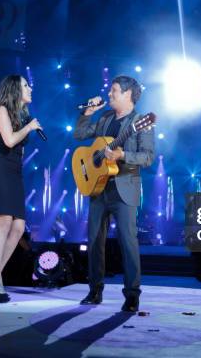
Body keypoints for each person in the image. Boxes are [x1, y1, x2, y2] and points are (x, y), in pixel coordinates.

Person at [73, 75, 155, 313]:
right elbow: (79, 136)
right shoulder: (106, 117)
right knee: (94, 241)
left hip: (125, 186)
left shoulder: (142, 122)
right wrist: (88, 112)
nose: (109, 94)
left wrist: (122, 156)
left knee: (128, 242)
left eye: (114, 91)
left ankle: (131, 295)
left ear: (128, 94)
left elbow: (147, 157)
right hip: (99, 187)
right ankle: (94, 290)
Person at [0, 74, 42, 303]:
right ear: (15, 89)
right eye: (26, 85)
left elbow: (19, 151)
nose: (30, 88)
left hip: (14, 174)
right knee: (4, 223)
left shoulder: (20, 115)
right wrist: (30, 128)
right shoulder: (2, 110)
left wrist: (27, 126)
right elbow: (9, 141)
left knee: (19, 227)